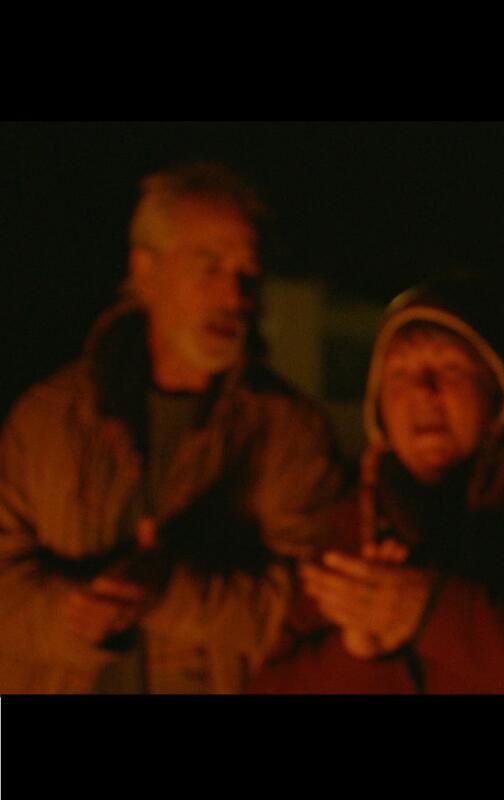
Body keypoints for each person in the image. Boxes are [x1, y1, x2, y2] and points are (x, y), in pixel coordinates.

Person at [0, 163, 342, 692]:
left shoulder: (289, 434)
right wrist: (72, 617)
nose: (234, 295)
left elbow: (310, 608)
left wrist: (168, 593)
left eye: (247, 272)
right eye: (209, 265)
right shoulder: (46, 420)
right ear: (146, 271)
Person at [252, 277, 504, 693]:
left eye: (449, 367)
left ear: (495, 393)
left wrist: (428, 611)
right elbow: (267, 682)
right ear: (378, 408)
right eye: (399, 372)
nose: (422, 390)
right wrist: (357, 652)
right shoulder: (345, 524)